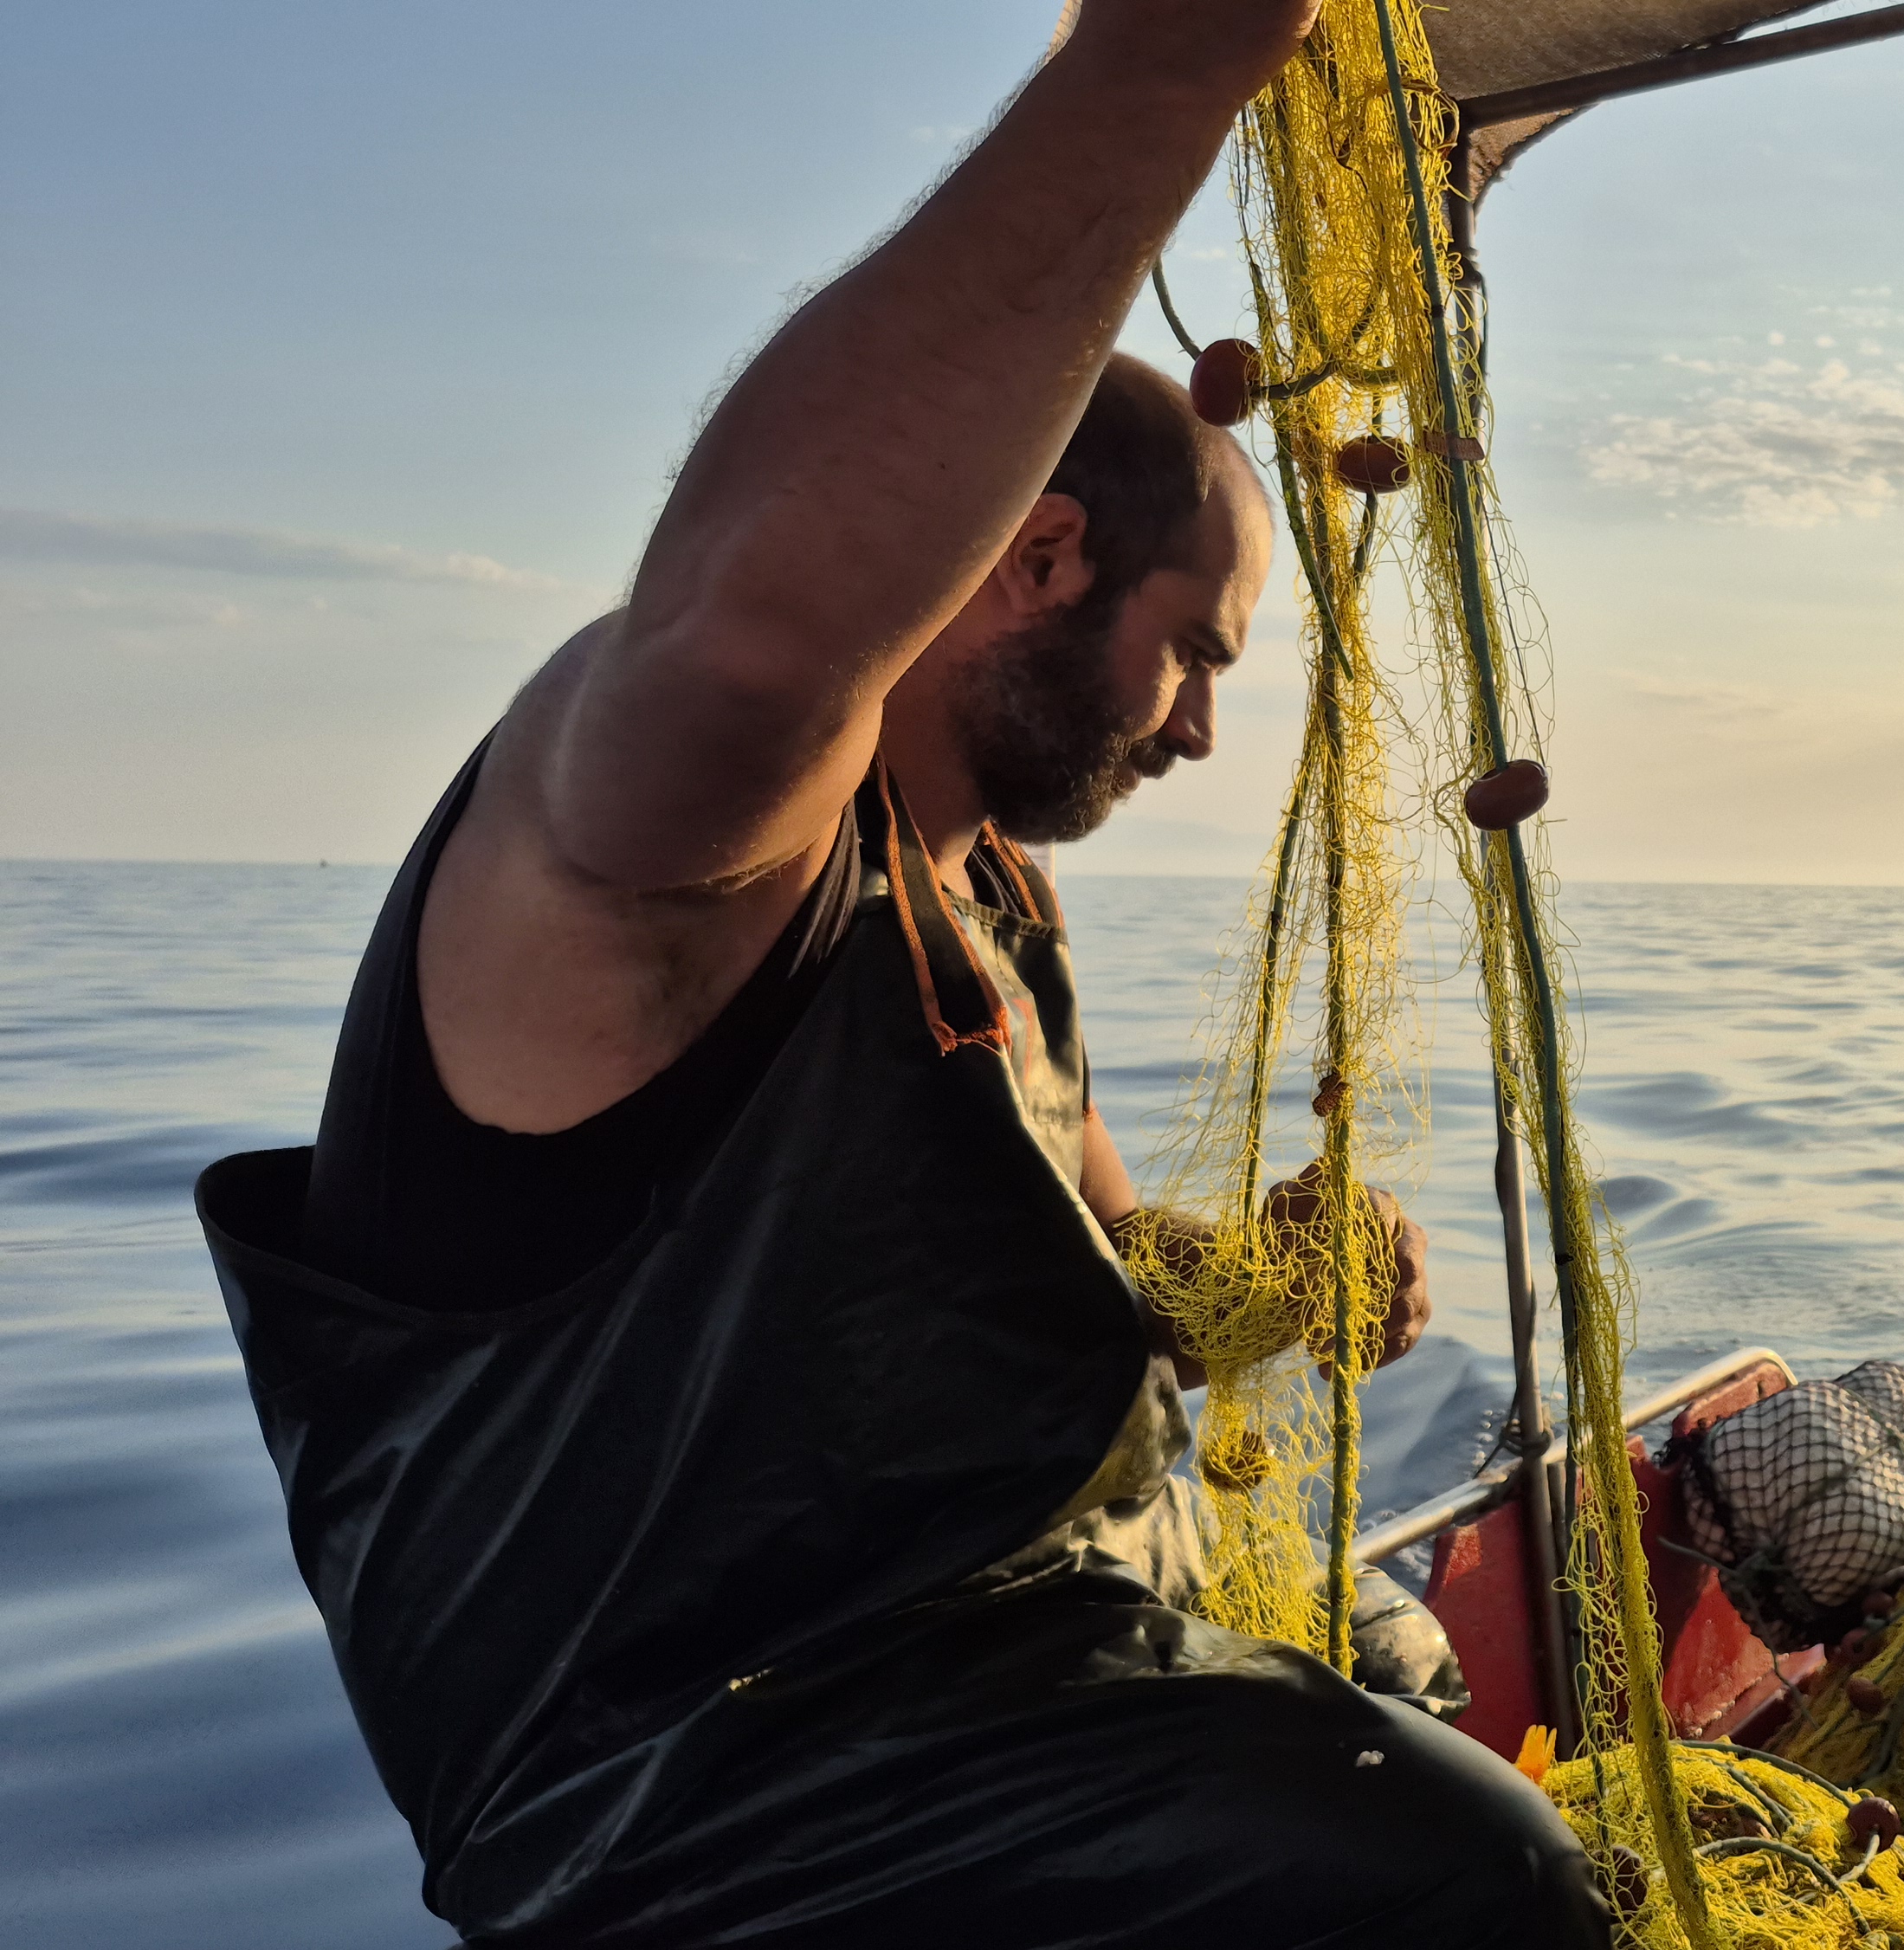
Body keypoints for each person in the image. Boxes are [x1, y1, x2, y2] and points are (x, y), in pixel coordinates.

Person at [189, 2, 1609, 1943]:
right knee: (1471, 1863)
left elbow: (1108, 1271)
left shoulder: (994, 897)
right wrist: (1161, 65)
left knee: (1402, 1662)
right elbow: (748, 631)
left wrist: (1272, 1280)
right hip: (704, 1808)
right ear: (1040, 559)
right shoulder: (693, 844)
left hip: (1011, 1649)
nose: (1204, 731)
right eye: (1195, 653)